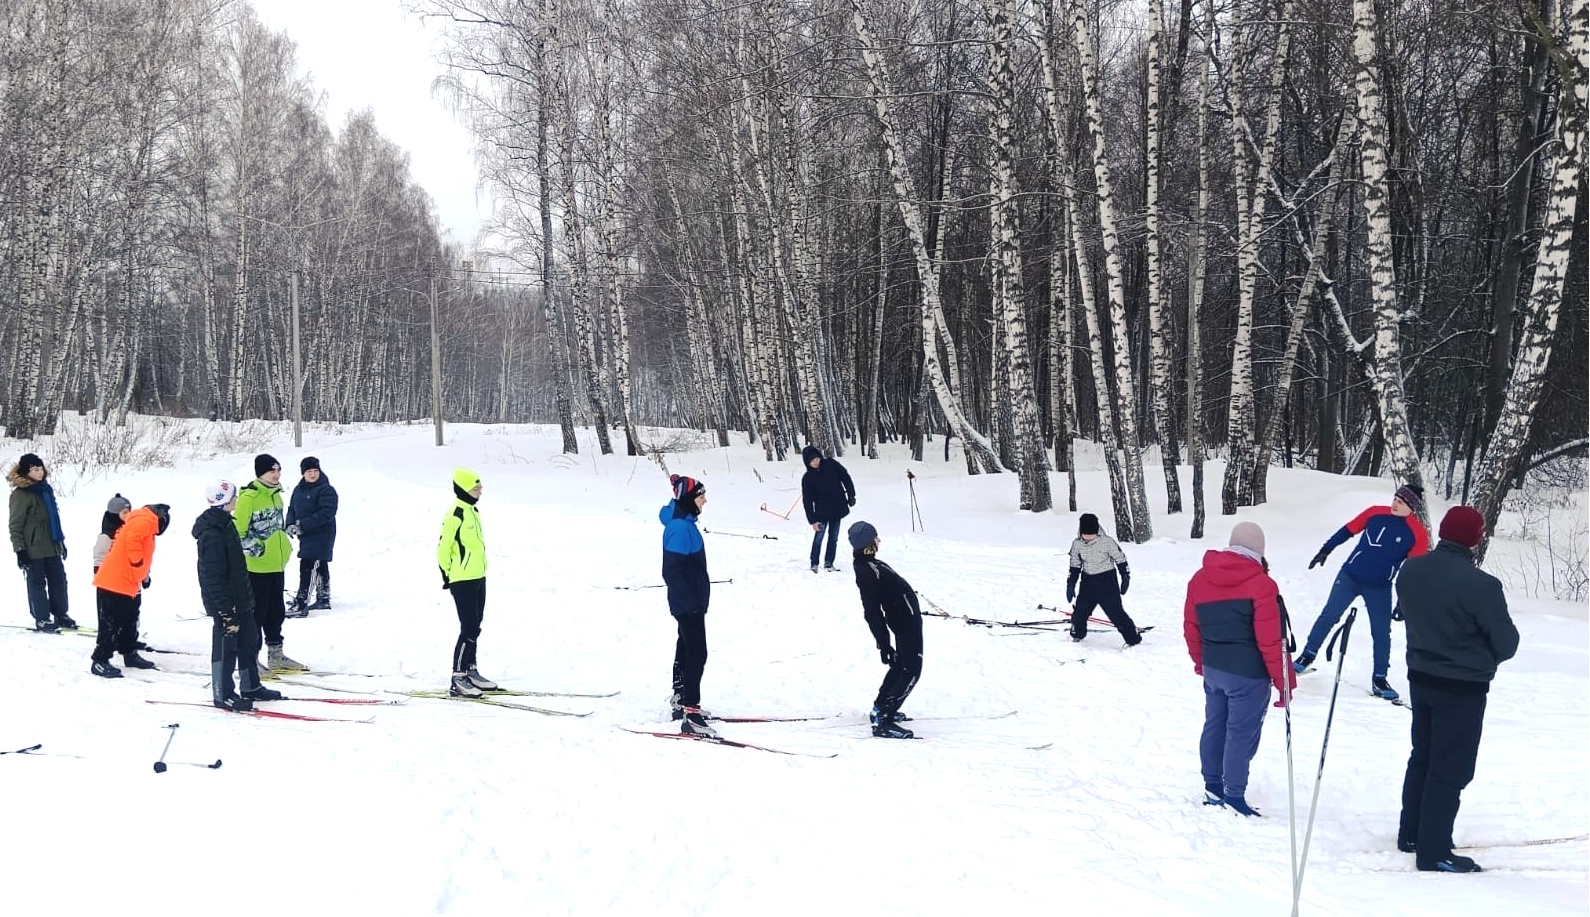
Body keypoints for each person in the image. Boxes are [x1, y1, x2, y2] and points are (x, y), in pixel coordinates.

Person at [1394, 506, 1519, 873]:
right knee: (1450, 766)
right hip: (1462, 685)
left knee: (1424, 753)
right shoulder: (1482, 585)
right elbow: (1507, 643)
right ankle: (1433, 851)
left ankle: (1412, 832)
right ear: (1475, 538)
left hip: (1421, 676)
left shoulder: (1411, 569)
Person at [1183, 521, 1295, 816]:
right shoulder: (1262, 584)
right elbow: (1272, 640)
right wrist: (1284, 681)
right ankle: (1234, 794)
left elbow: (1191, 627)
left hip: (1214, 670)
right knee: (1240, 733)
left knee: (1214, 725)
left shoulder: (1199, 579)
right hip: (1249, 676)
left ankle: (1213, 785)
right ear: (1259, 551)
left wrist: (1201, 663)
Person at [1293, 484, 1430, 701]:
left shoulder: (1417, 534)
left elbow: (1412, 572)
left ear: (1411, 507)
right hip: (1350, 576)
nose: (1395, 503)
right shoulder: (1375, 512)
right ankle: (1307, 655)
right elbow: (1348, 530)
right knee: (1329, 615)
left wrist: (1403, 601)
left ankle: (1379, 678)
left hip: (1379, 587)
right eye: (1395, 498)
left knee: (1381, 631)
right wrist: (1326, 549)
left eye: (1401, 502)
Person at [194, 481, 281, 710]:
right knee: (226, 647)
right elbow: (213, 576)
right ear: (225, 500)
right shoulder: (211, 533)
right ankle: (222, 694)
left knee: (248, 642)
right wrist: (225, 609)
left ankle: (251, 685)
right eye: (234, 496)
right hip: (225, 604)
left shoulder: (225, 524)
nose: (237, 499)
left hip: (240, 599)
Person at [849, 521, 922, 739]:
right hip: (904, 623)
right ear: (868, 544)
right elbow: (871, 612)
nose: (879, 541)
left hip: (904, 619)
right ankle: (884, 720)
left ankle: (880, 708)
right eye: (875, 538)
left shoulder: (869, 563)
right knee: (911, 671)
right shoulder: (868, 570)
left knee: (901, 665)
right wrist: (883, 643)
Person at [234, 454, 305, 672]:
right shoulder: (250, 497)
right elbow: (238, 532)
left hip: (277, 565)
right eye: (271, 471)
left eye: (278, 470)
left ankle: (276, 655)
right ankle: (250, 660)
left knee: (276, 612)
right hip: (257, 567)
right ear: (261, 473)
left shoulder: (277, 496)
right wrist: (259, 549)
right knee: (257, 614)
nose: (276, 475)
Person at [89, 503, 170, 677]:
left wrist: (143, 574)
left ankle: (129, 652)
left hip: (129, 581)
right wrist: (137, 562)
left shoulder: (144, 520)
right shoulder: (145, 520)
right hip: (115, 581)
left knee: (129, 619)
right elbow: (133, 541)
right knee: (111, 623)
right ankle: (100, 660)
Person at [661, 474, 714, 737]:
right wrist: (691, 602)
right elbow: (671, 571)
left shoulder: (685, 523)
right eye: (701, 495)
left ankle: (681, 699)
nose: (705, 500)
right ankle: (691, 711)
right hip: (688, 603)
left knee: (686, 648)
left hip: (690, 602)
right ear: (689, 498)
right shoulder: (681, 528)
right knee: (697, 653)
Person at [439, 467, 497, 698]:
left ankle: (471, 670)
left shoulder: (473, 511)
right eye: (476, 488)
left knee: (476, 625)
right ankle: (458, 677)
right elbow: (443, 548)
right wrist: (447, 574)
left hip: (478, 576)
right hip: (461, 579)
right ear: (464, 489)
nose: (480, 491)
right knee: (469, 628)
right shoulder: (456, 514)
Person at [9, 453, 76, 632]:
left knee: (59, 581)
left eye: (41, 468)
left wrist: (61, 543)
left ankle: (60, 614)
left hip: (52, 545)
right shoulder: (21, 495)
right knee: (37, 584)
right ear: (26, 472)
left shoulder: (46, 490)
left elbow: (54, 519)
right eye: (35, 470)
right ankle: (41, 618)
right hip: (33, 548)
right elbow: (15, 525)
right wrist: (20, 551)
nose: (40, 472)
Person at [1065, 513, 1143, 645]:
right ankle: (1077, 634)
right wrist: (1071, 583)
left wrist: (1125, 576)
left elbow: (1120, 559)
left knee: (1116, 614)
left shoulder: (1107, 542)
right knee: (1080, 612)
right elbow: (1075, 564)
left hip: (1107, 583)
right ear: (1081, 532)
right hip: (1087, 583)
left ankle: (1133, 638)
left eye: (1092, 535)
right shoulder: (1077, 544)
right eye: (1086, 535)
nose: (1089, 538)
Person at [286, 455, 338, 615]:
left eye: (316, 470)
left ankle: (301, 602)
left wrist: (303, 525)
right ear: (303, 473)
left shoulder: (326, 489)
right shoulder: (299, 489)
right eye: (309, 471)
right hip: (306, 534)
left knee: (308, 564)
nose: (313, 474)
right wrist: (289, 524)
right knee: (319, 563)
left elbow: (327, 513)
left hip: (321, 533)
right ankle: (323, 598)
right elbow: (292, 508)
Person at [800, 445, 856, 573]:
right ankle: (814, 563)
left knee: (834, 537)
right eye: (812, 461)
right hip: (821, 512)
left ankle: (829, 563)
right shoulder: (808, 478)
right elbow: (807, 501)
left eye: (817, 459)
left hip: (838, 508)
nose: (816, 462)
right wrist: (812, 520)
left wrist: (851, 494)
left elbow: (845, 477)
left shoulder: (831, 464)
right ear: (807, 463)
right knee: (819, 538)